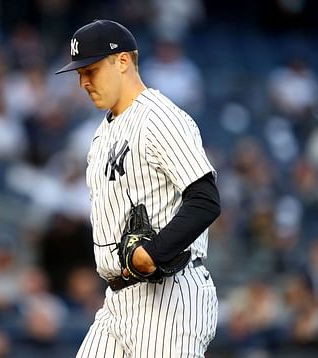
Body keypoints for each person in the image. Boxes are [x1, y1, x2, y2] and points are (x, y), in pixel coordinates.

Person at [55, 19, 221, 357]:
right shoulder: (102, 135)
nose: (84, 81)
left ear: (123, 61)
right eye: (79, 73)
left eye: (92, 69)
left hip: (168, 298)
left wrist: (154, 252)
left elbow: (205, 200)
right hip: (118, 301)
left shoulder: (159, 117)